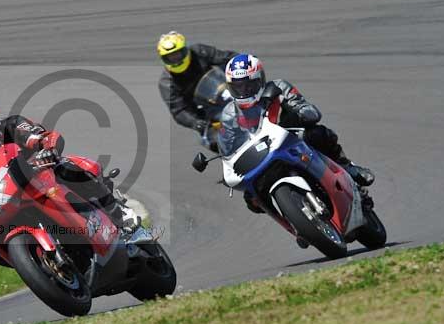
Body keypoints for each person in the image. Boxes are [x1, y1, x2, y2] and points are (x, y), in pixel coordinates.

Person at [217, 54, 375, 214]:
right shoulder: (229, 114)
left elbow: (304, 106)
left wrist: (302, 113)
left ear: (260, 80)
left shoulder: (279, 87)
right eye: (238, 87)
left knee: (318, 134)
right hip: (259, 156)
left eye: (248, 86)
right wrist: (228, 165)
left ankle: (348, 168)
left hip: (290, 140)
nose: (244, 91)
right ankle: (295, 226)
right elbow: (228, 145)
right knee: (252, 200)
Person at [0, 100, 139, 234]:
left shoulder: (11, 126)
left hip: (40, 175)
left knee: (69, 165)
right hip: (3, 195)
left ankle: (117, 212)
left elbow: (42, 137)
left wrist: (46, 148)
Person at [157, 31, 238, 137]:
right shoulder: (166, 83)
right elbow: (179, 111)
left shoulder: (199, 51)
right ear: (164, 59)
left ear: (185, 50)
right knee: (213, 139)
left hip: (225, 91)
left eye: (178, 54)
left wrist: (244, 61)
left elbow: (225, 58)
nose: (176, 60)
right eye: (170, 57)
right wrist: (196, 123)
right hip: (206, 115)